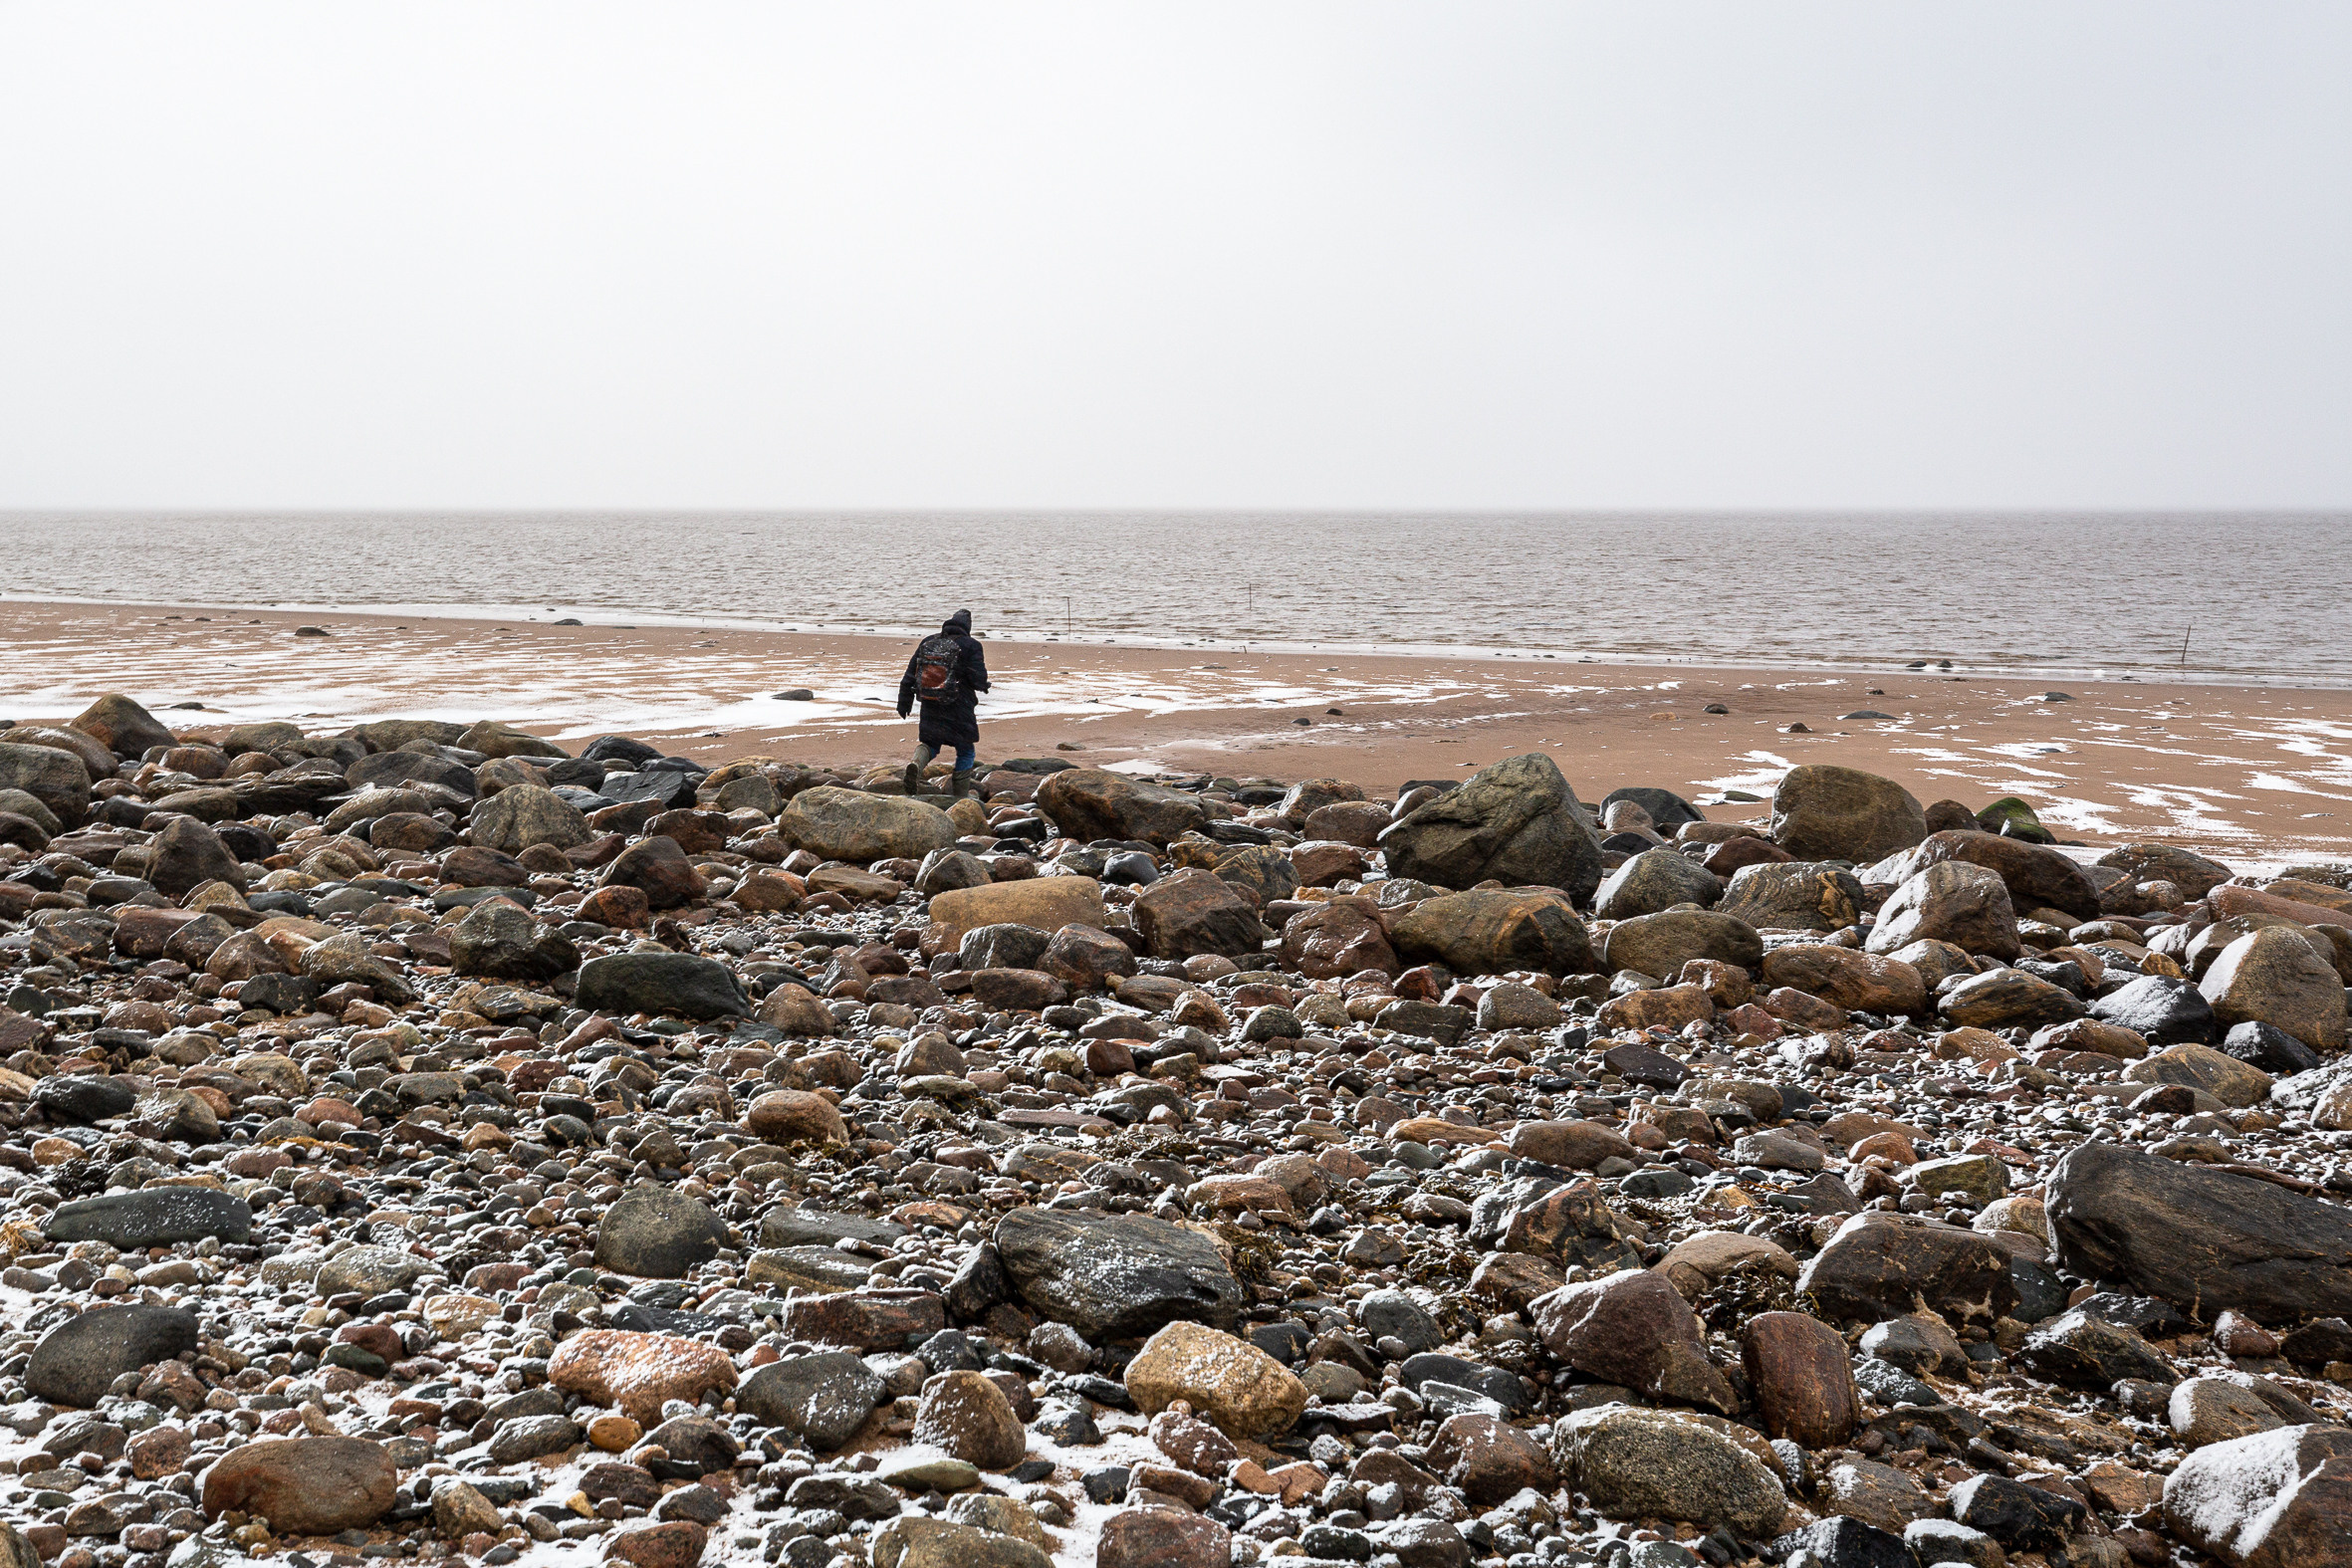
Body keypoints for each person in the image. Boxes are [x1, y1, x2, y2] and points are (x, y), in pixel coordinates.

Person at [897, 607, 990, 797]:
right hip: (959, 705)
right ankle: (961, 797)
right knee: (965, 749)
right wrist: (984, 685)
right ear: (968, 627)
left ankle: (916, 764)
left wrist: (904, 702)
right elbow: (977, 679)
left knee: (930, 744)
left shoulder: (929, 642)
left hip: (930, 704)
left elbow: (910, 675)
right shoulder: (971, 645)